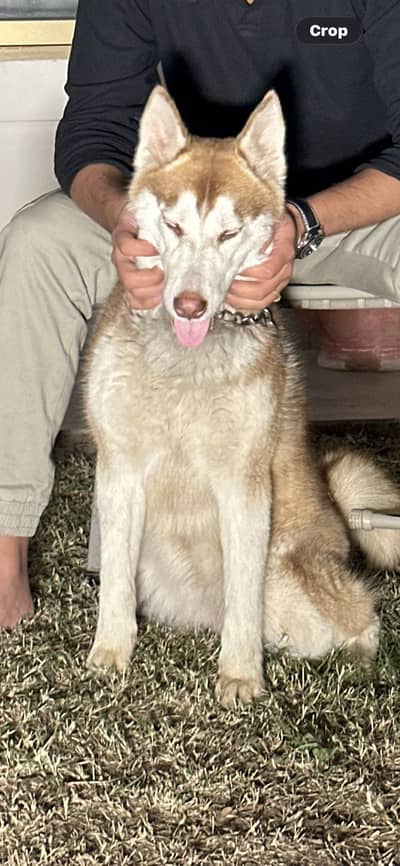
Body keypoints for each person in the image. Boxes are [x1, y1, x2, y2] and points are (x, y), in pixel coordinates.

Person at [1, 0, 400, 628]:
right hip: (184, 224)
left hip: (348, 208)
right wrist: (125, 223)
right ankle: (4, 559)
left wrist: (302, 223)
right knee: (37, 244)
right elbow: (93, 127)